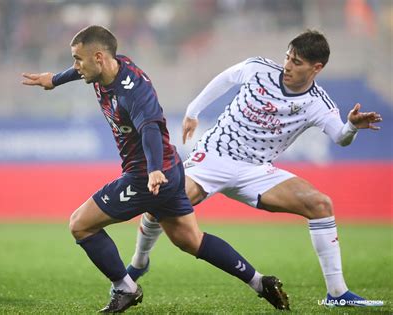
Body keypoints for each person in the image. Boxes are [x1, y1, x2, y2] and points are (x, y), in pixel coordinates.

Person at [21, 25, 290, 312]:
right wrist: (55, 79)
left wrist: (152, 170)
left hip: (147, 176)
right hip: (170, 172)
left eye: (78, 59)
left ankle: (126, 288)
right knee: (191, 240)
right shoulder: (108, 66)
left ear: (98, 57)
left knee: (80, 225)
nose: (75, 66)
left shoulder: (133, 91)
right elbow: (82, 71)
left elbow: (149, 129)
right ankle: (260, 282)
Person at [127, 30, 383, 308]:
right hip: (214, 157)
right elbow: (226, 78)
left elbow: (340, 138)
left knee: (320, 204)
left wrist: (352, 128)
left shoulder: (318, 103)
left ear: (316, 67)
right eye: (287, 57)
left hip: (256, 171)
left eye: (296, 62)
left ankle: (337, 293)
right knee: (160, 199)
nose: (287, 65)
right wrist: (193, 111)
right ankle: (140, 261)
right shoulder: (259, 69)